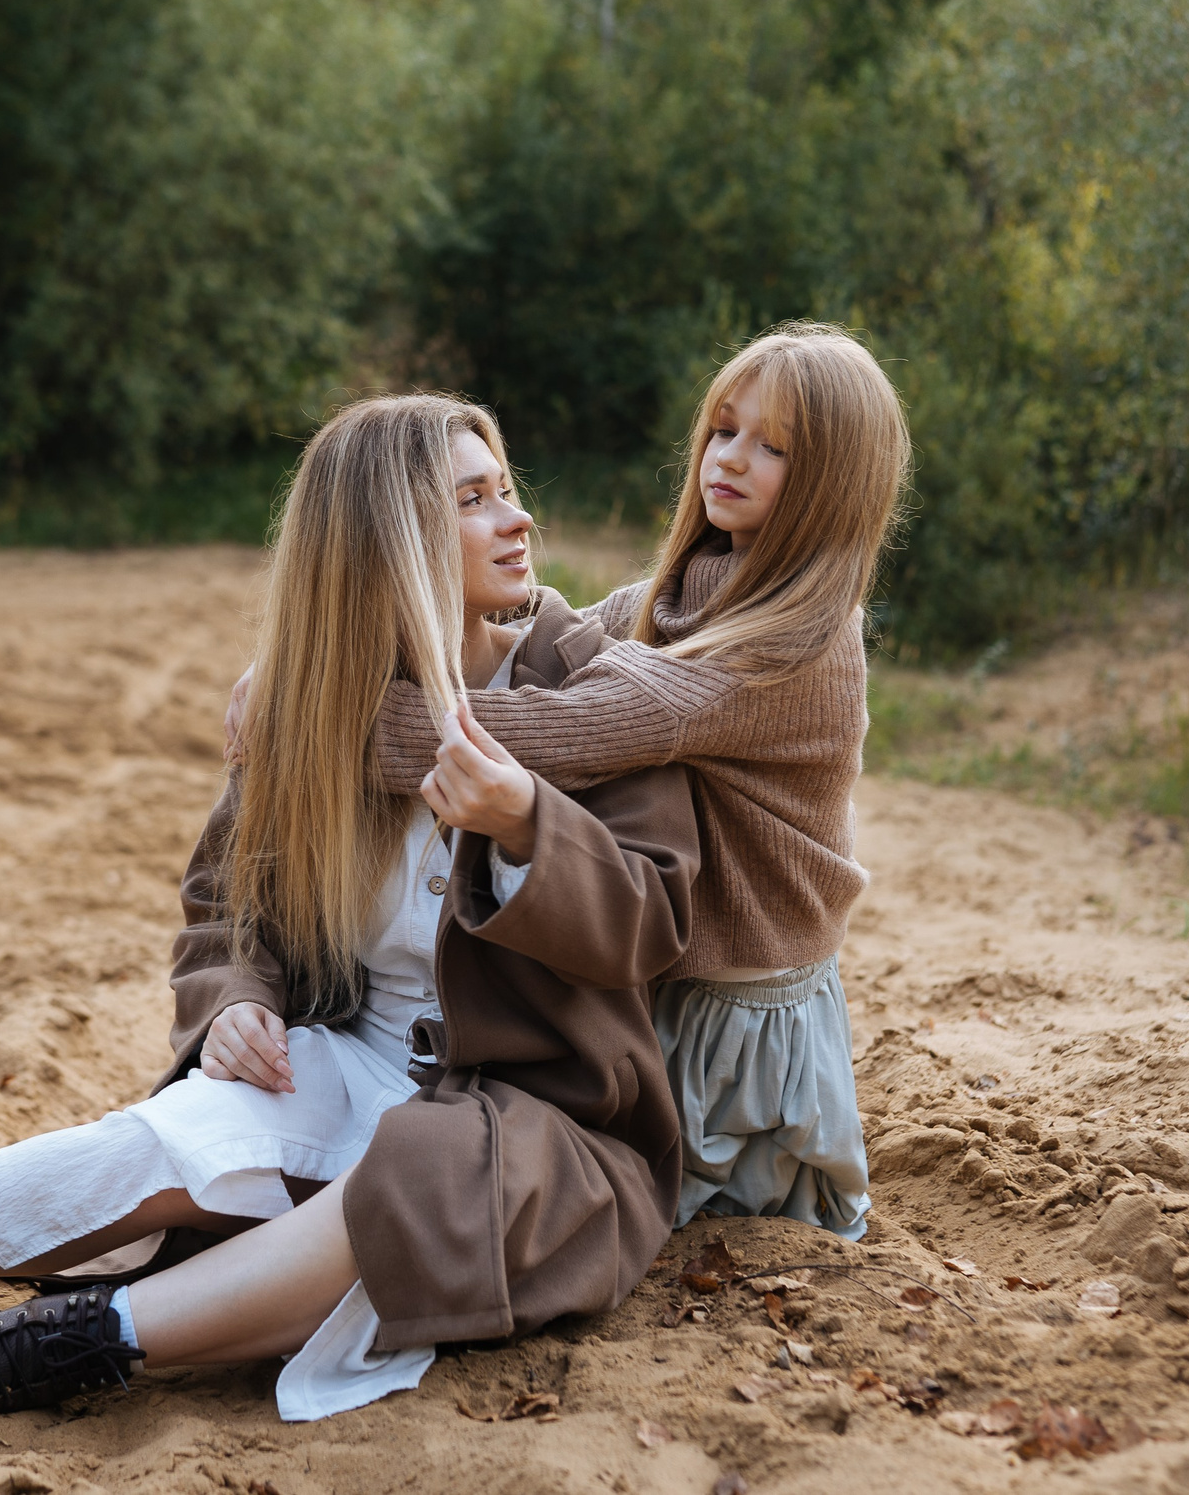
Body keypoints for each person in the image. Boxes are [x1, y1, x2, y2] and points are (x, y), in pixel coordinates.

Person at [0, 394, 699, 1447]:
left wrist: (530, 821)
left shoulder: (589, 687)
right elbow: (228, 900)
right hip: (351, 1060)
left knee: (415, 1173)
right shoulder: (310, 708)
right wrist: (235, 1005)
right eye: (476, 501)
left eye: (507, 491)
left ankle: (23, 1353)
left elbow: (657, 918)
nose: (517, 519)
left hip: (538, 1121)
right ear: (386, 547)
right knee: (169, 1135)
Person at [358, 323, 907, 1240]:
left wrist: (330, 723)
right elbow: (565, 624)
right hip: (677, 981)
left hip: (741, 1012)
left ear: (834, 483)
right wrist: (335, 651)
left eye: (774, 447)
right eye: (726, 427)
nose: (729, 458)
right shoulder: (702, 582)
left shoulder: (790, 647)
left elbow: (562, 728)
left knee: (679, 1221)